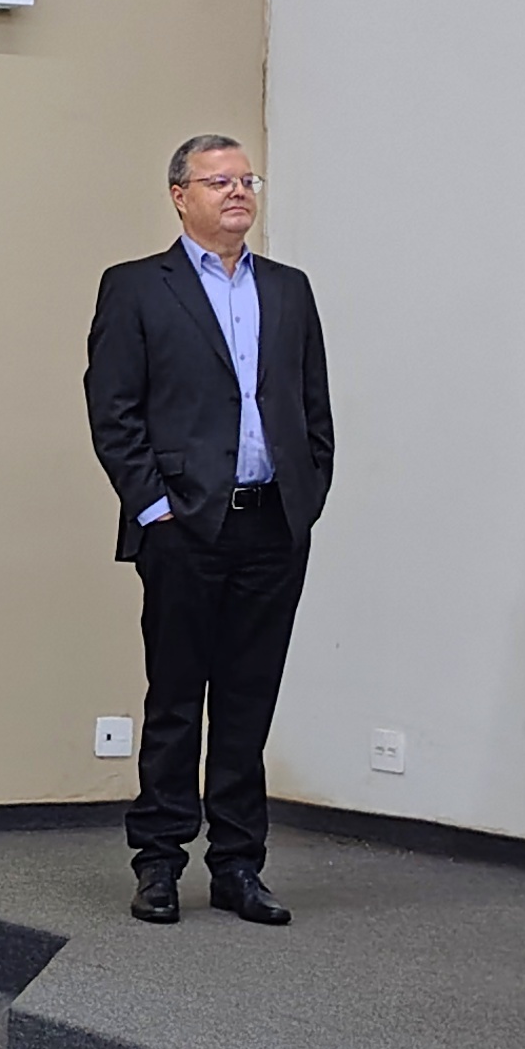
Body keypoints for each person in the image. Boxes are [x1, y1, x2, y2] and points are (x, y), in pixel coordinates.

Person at [82, 135, 336, 926]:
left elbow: (313, 408)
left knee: (248, 702)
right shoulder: (136, 288)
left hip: (273, 527)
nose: (237, 192)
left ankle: (238, 865)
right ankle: (159, 862)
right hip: (184, 527)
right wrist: (154, 509)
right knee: (175, 700)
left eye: (245, 180)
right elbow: (113, 410)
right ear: (179, 195)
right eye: (218, 181)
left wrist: (306, 498)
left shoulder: (288, 290)